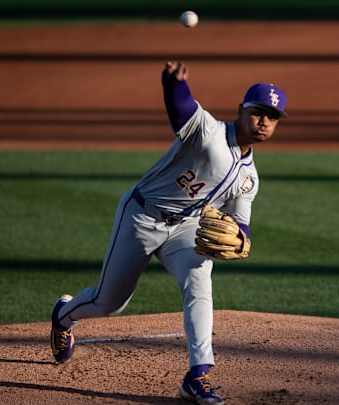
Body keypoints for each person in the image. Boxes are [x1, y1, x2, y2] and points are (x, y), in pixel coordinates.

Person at [49, 61, 287, 405]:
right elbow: (182, 110)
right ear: (242, 111)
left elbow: (241, 224)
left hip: (186, 229)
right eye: (258, 112)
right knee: (109, 302)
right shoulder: (208, 131)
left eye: (273, 117)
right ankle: (63, 315)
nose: (264, 121)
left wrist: (241, 238)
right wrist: (173, 83)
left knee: (199, 287)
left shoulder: (250, 180)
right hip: (142, 216)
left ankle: (198, 375)